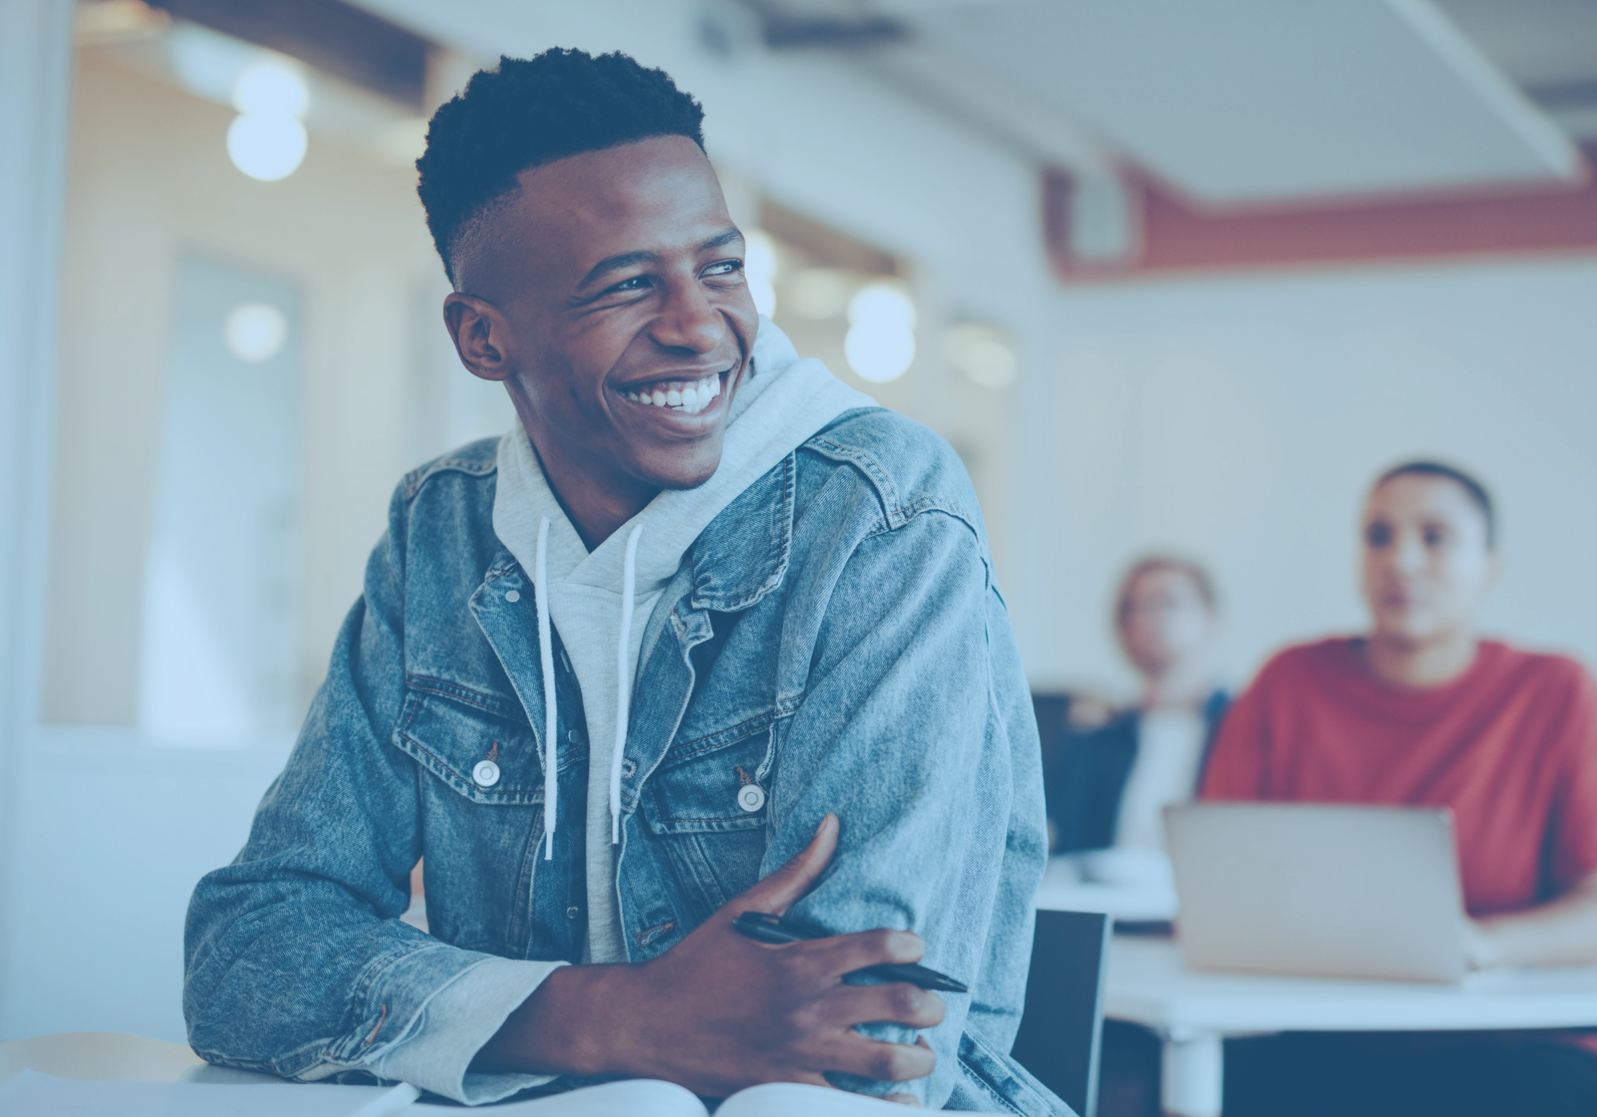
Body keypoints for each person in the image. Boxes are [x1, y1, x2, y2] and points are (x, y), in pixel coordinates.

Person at [183, 49, 1063, 1114]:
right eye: (628, 283)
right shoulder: (442, 533)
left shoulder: (879, 508)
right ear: (482, 338)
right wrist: (618, 1015)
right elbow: (247, 952)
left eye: (722, 267)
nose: (700, 325)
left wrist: (506, 1018)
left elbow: (857, 1043)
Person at [1198, 460, 1597, 1117]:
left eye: (1436, 536)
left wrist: (1487, 944)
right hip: (1320, 1031)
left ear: (1491, 568)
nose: (1403, 561)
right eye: (1379, 536)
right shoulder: (1287, 682)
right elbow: (1221, 879)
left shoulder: (1560, 693)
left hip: (1516, 1040)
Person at [1049, 557, 1230, 864]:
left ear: (1210, 616)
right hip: (1110, 904)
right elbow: (1067, 841)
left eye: (1167, 603)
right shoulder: (1098, 738)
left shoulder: (1247, 728)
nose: (1148, 618)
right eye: (1133, 607)